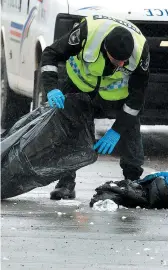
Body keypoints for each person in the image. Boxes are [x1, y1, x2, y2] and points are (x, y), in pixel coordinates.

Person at [40, 14, 150, 200]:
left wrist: (116, 130)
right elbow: (50, 54)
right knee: (69, 128)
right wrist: (51, 88)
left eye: (124, 61)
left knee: (130, 128)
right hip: (79, 84)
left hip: (115, 95)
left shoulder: (140, 52)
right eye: (117, 61)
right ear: (105, 49)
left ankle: (133, 182)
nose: (122, 65)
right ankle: (65, 183)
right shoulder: (87, 32)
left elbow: (137, 99)